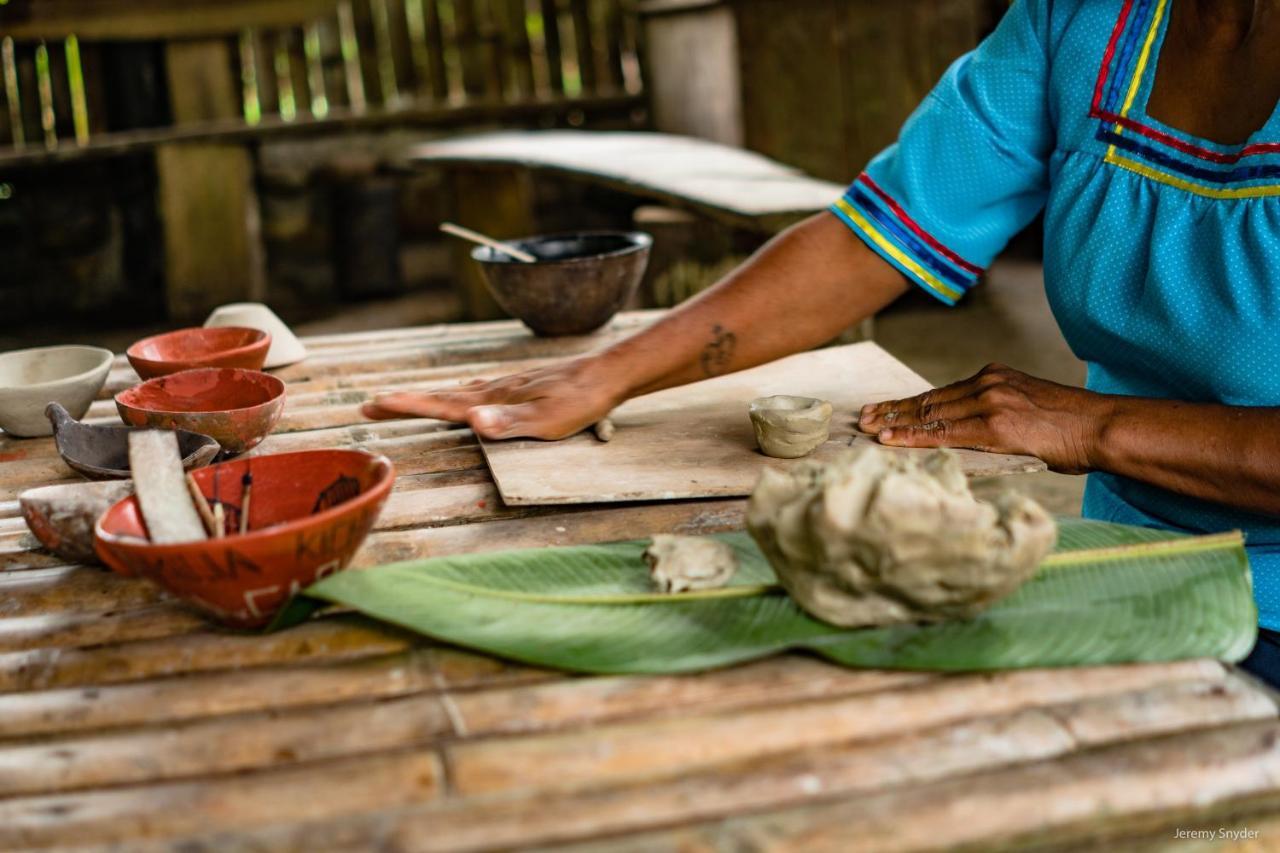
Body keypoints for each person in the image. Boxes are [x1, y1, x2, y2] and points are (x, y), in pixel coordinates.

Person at [365, 0, 1280, 681]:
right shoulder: (1088, 24)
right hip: (1132, 558)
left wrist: (1095, 428)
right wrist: (606, 375)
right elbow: (872, 233)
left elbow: (1094, 430)